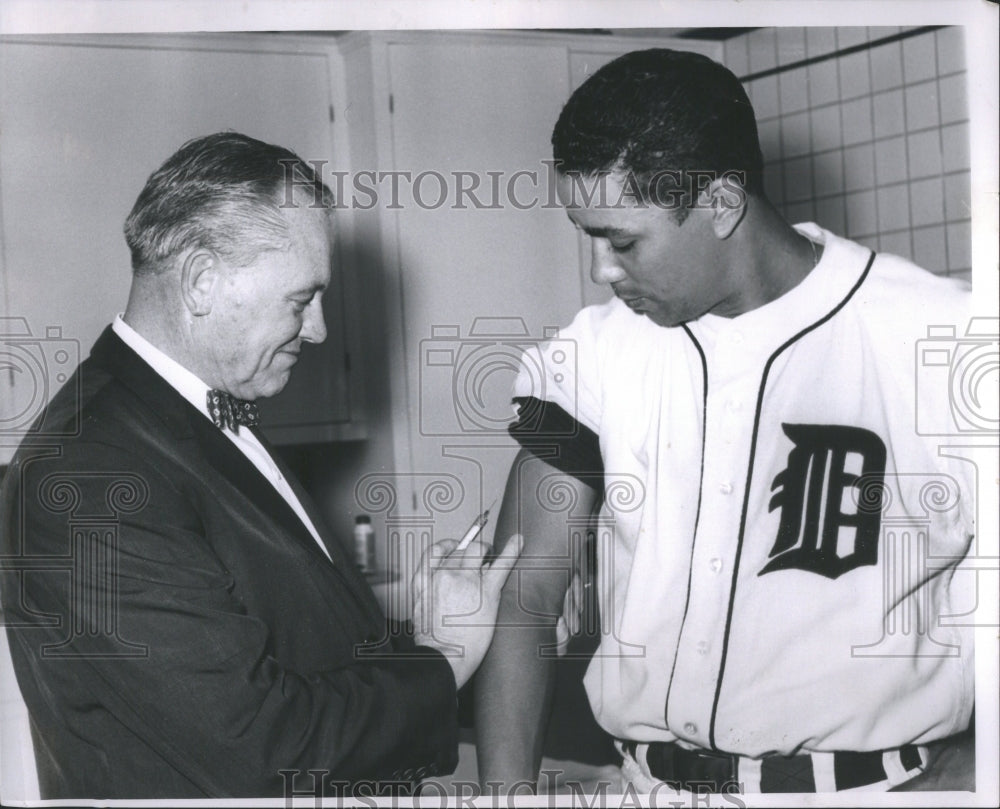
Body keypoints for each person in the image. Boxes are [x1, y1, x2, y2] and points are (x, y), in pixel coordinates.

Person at [475, 48, 976, 796]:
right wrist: (500, 795)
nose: (600, 270)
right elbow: (522, 592)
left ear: (719, 204)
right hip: (649, 785)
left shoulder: (945, 336)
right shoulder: (593, 354)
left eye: (621, 239)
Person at [0, 132, 519, 799]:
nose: (320, 330)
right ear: (201, 281)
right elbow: (259, 746)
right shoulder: (92, 475)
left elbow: (286, 652)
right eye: (301, 300)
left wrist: (418, 633)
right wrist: (443, 660)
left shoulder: (189, 413)